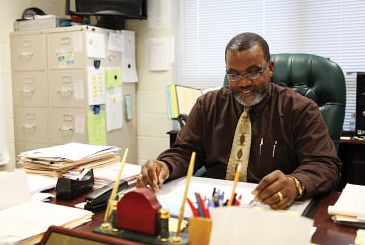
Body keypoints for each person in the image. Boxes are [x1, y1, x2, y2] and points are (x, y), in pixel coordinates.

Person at [136, 32, 342, 210]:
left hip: (273, 208)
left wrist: (295, 183)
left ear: (270, 68)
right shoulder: (208, 105)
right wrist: (164, 166)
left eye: (253, 72)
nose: (243, 83)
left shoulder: (300, 109)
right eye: (233, 74)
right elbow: (184, 152)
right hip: (216, 205)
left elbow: (325, 165)